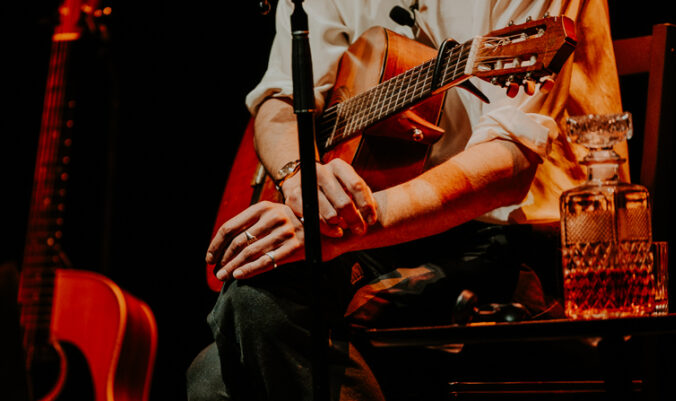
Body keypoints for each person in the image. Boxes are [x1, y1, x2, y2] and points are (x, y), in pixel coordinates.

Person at [187, 0, 627, 400]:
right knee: (245, 311)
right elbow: (279, 98)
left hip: (516, 239)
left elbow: (509, 165)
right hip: (383, 230)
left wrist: (337, 230)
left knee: (219, 366)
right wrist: (297, 175)